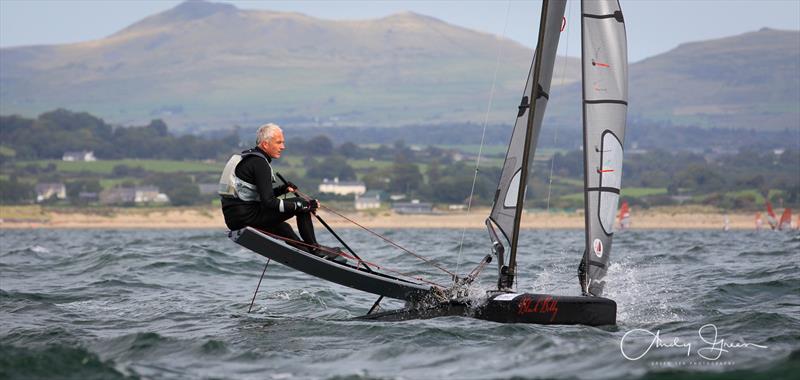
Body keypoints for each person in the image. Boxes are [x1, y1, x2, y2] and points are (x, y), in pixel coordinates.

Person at [220, 123, 324, 254]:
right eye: (279, 142)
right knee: (302, 206)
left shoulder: (249, 159)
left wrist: (282, 189)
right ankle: (315, 248)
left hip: (234, 220)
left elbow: (259, 196)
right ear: (265, 144)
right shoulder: (260, 163)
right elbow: (268, 202)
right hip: (248, 217)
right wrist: (305, 205)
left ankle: (306, 252)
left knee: (283, 228)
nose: (283, 147)